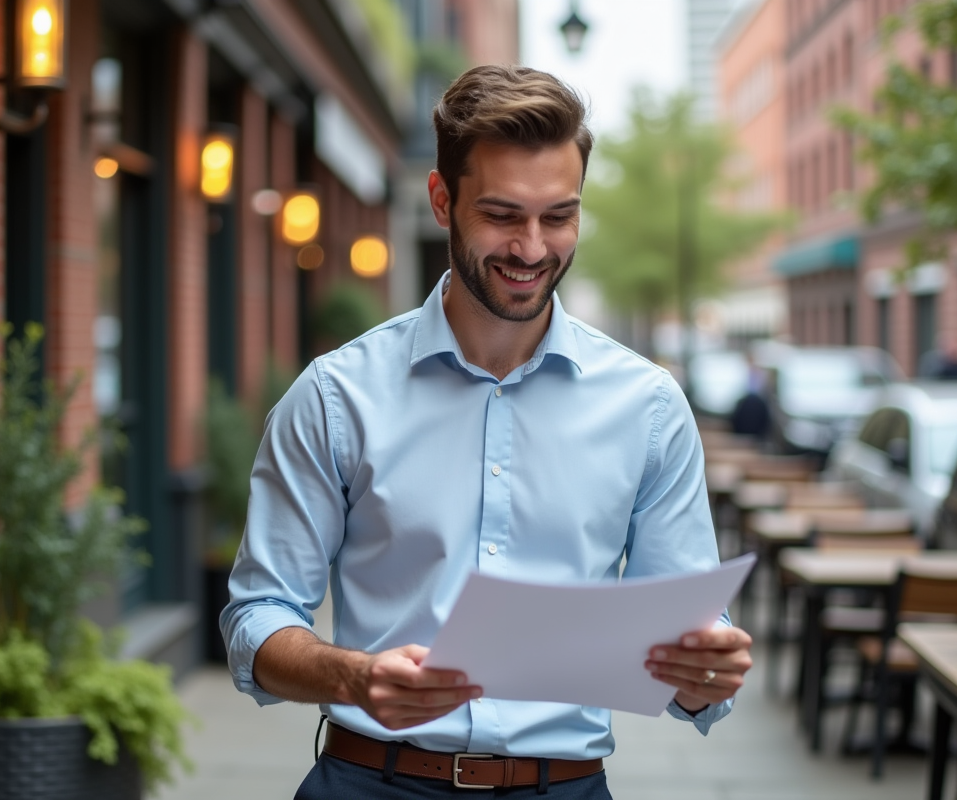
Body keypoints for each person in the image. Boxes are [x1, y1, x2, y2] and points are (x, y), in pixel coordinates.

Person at [220, 65, 753, 799]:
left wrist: (705, 671)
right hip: (371, 780)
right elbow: (258, 614)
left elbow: (689, 648)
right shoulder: (336, 397)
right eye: (503, 215)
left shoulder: (650, 408)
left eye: (558, 216)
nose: (532, 249)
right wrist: (353, 674)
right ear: (443, 201)